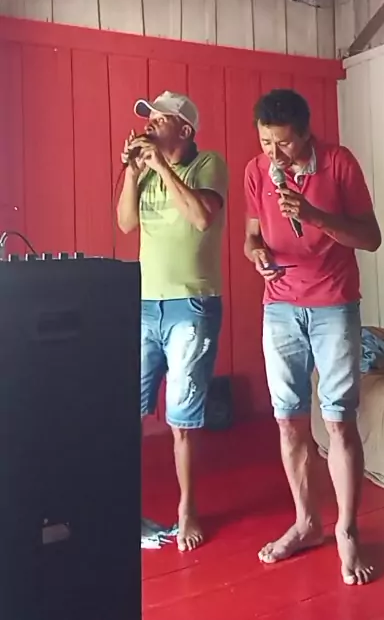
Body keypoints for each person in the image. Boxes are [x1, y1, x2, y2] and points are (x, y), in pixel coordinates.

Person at [244, 89, 381, 585]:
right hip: (279, 306)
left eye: (283, 144)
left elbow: (371, 238)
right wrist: (256, 254)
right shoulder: (256, 170)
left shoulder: (340, 164)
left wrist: (314, 215)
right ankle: (306, 523)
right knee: (288, 421)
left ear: (306, 134)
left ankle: (347, 529)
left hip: (333, 305)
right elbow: (251, 235)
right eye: (265, 142)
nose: (273, 154)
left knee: (338, 421)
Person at [117, 91, 228, 552]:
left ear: (184, 130)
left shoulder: (208, 164)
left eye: (160, 119)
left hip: (192, 305)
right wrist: (132, 170)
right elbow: (125, 223)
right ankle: (124, 508)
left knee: (182, 419)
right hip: (146, 304)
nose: (150, 125)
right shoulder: (145, 171)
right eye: (148, 118)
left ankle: (187, 509)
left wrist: (161, 166)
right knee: (126, 409)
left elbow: (202, 218)